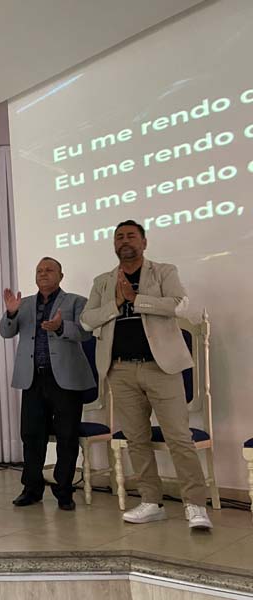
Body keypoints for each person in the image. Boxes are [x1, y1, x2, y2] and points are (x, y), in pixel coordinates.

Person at [80, 220, 212, 530]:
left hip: (161, 367)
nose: (124, 241)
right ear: (114, 245)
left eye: (131, 236)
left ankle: (195, 505)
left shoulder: (163, 272)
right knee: (136, 439)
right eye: (119, 237)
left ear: (144, 242)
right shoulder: (103, 281)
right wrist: (117, 303)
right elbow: (87, 320)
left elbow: (179, 305)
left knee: (179, 438)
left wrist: (137, 300)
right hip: (120, 369)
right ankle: (152, 502)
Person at [0, 257, 94, 511]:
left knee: (66, 436)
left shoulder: (76, 301)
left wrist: (61, 327)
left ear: (61, 276)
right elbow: (6, 332)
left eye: (49, 270)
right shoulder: (24, 304)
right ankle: (31, 489)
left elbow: (86, 332)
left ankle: (64, 491)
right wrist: (11, 313)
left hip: (66, 379)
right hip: (33, 378)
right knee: (31, 435)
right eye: (39, 270)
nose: (43, 274)